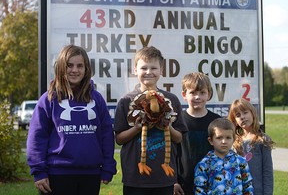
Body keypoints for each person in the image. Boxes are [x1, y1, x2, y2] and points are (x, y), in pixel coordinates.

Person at [26, 44, 117, 195]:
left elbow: (106, 135)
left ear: (86, 69)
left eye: (80, 66)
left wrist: (108, 166)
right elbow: (37, 136)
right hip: (56, 174)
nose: (75, 70)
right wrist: (39, 171)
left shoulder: (97, 99)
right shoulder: (49, 99)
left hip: (90, 175)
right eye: (69, 65)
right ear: (61, 67)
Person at [114, 46, 187, 195]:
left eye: (153, 68)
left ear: (162, 70)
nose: (148, 72)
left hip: (164, 176)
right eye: (143, 68)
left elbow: (179, 138)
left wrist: (167, 126)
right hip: (135, 177)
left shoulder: (171, 100)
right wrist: (137, 127)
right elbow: (119, 139)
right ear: (135, 70)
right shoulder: (126, 100)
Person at [174, 72, 221, 195]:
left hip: (212, 182)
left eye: (202, 93)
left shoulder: (217, 121)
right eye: (192, 92)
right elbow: (171, 153)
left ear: (209, 94)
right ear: (184, 95)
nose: (197, 97)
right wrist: (173, 181)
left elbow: (223, 152)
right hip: (183, 184)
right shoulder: (178, 121)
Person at [194, 118, 254, 194]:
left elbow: (247, 186)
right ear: (211, 141)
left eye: (228, 138)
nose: (224, 141)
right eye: (219, 138)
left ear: (234, 139)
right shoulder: (204, 164)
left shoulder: (241, 161)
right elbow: (200, 189)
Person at [228, 98, 275, 195]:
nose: (242, 117)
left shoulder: (262, 140)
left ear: (252, 113)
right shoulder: (234, 143)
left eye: (245, 112)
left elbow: (267, 173)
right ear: (235, 121)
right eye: (238, 115)